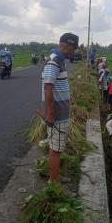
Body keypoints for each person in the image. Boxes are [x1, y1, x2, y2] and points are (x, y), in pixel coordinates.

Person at [42, 32, 79, 184]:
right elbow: (48, 87)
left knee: (56, 147)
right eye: (73, 48)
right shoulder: (54, 62)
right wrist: (51, 114)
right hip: (57, 115)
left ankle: (55, 177)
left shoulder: (60, 60)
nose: (74, 52)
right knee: (56, 150)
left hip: (60, 114)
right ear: (66, 46)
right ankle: (54, 182)